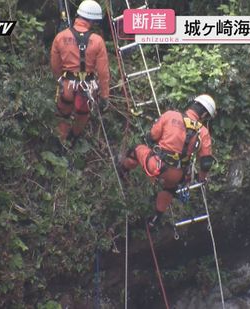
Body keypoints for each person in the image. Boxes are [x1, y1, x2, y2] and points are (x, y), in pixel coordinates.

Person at [118, 95, 217, 227]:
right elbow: (206, 163)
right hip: (177, 175)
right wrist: (201, 178)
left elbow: (152, 136)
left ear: (193, 103)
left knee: (137, 150)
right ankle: (155, 219)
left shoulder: (170, 115)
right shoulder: (203, 132)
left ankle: (122, 171)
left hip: (157, 165)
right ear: (204, 114)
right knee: (170, 188)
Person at [50, 0, 110, 146]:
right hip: (87, 88)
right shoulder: (97, 41)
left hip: (67, 85)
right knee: (82, 115)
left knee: (63, 115)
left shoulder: (61, 37)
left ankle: (61, 144)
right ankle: (73, 139)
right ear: (92, 20)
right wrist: (104, 96)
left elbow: (55, 65)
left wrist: (60, 81)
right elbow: (103, 73)